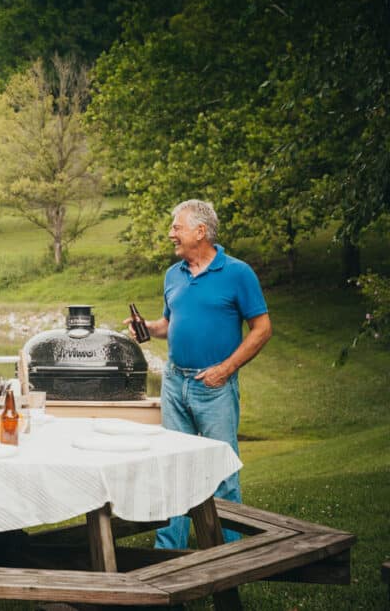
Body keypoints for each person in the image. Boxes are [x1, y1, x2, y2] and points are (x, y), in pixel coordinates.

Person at [126, 199, 272, 549]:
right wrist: (148, 327)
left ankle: (230, 553)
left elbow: (262, 329)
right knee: (174, 467)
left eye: (177, 227)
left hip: (214, 387)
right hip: (175, 383)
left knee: (222, 472)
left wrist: (225, 369)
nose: (170, 234)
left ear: (200, 232)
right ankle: (168, 553)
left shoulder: (238, 273)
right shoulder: (172, 275)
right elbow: (169, 323)